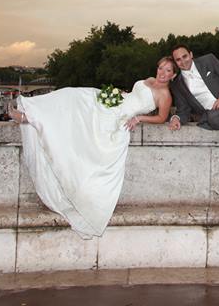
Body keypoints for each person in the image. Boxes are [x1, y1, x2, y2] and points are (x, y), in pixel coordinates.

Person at [9, 57, 174, 239]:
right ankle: (30, 113)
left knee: (77, 117)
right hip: (114, 102)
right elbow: (133, 95)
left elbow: (161, 118)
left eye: (167, 71)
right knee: (72, 96)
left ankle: (29, 119)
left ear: (173, 75)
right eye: (161, 68)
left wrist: (139, 118)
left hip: (118, 116)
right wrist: (119, 93)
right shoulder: (150, 80)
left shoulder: (165, 96)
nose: (162, 73)